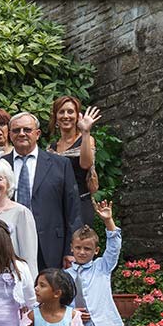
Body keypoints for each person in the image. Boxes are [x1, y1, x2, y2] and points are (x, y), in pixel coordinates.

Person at [3, 112, 82, 270]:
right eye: (16, 130)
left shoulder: (60, 165)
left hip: (50, 246)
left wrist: (70, 250)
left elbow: (73, 210)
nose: (21, 134)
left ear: (37, 134)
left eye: (27, 129)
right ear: (10, 135)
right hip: (9, 243)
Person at [0, 160, 40, 282]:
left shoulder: (21, 212)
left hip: (13, 280)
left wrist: (30, 286)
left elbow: (29, 257)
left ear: (8, 183)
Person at [48, 97, 102, 230]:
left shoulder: (86, 139)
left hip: (80, 203)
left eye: (70, 112)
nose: (66, 116)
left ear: (77, 116)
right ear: (56, 117)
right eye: (61, 112)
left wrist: (85, 132)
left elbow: (86, 164)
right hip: (58, 206)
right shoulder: (51, 148)